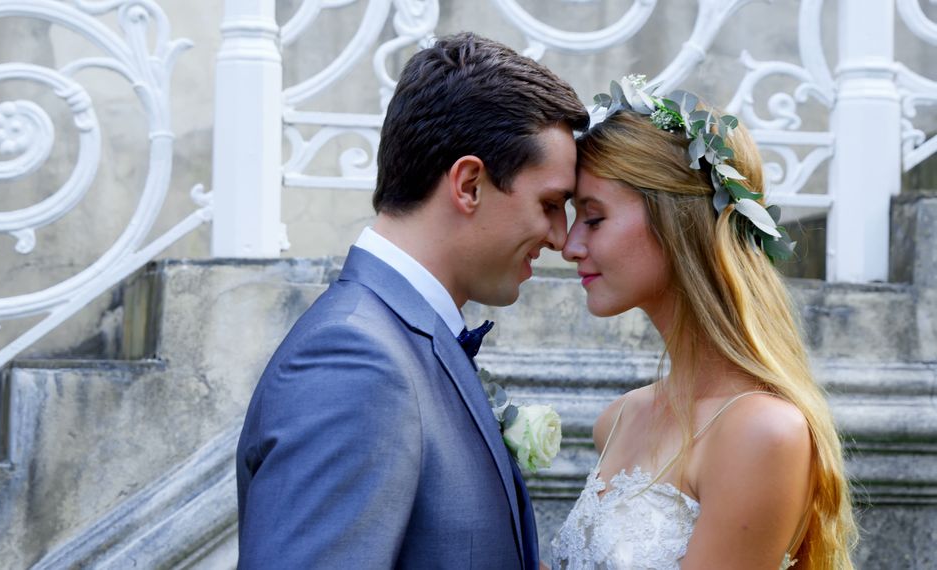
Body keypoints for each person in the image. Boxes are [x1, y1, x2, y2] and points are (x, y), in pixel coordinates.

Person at [236, 32, 588, 569]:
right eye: (550, 204)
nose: (561, 238)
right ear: (469, 184)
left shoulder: (399, 339)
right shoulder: (356, 360)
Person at [551, 76, 857, 569]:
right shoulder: (620, 420)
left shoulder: (760, 432)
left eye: (594, 217)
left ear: (676, 219)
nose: (569, 246)